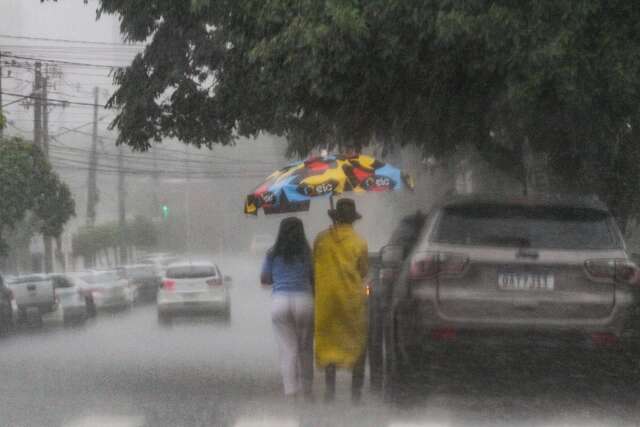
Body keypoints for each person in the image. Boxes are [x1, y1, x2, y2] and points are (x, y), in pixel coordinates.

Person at [313, 198, 368, 403]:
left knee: (329, 346)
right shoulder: (360, 242)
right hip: (351, 303)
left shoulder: (321, 240)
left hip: (326, 302)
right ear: (353, 220)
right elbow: (363, 271)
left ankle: (330, 392)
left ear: (335, 217)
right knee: (356, 346)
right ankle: (355, 393)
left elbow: (315, 264)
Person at [260, 217, 314, 399]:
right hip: (304, 300)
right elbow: (313, 277)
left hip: (280, 301)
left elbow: (265, 279)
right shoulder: (307, 253)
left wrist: (279, 277)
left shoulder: (272, 254)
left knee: (288, 350)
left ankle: (291, 391)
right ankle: (307, 389)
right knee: (305, 348)